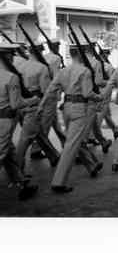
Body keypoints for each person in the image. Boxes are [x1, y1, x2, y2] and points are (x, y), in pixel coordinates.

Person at [36, 44, 103, 193]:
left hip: (66, 108)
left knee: (74, 140)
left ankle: (91, 165)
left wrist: (41, 105)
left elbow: (50, 90)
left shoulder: (63, 71)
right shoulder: (84, 71)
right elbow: (87, 94)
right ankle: (58, 182)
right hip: (79, 108)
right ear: (81, 54)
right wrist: (99, 97)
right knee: (71, 145)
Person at [0, 42, 40, 200]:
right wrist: (33, 100)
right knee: (2, 153)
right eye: (11, 55)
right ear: (7, 56)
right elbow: (16, 103)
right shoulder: (10, 77)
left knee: (9, 154)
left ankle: (22, 182)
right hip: (4, 120)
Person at [15, 43, 60, 173]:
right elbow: (46, 90)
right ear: (40, 51)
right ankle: (17, 168)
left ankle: (53, 156)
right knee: (26, 138)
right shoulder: (41, 68)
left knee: (38, 132)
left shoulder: (20, 66)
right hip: (36, 102)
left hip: (23, 102)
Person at [30, 37, 66, 160]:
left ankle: (65, 144)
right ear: (55, 46)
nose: (58, 47)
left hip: (44, 93)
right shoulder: (56, 58)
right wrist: (59, 93)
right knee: (45, 125)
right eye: (57, 45)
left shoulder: (45, 57)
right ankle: (36, 148)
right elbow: (57, 76)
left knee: (55, 123)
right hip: (50, 94)